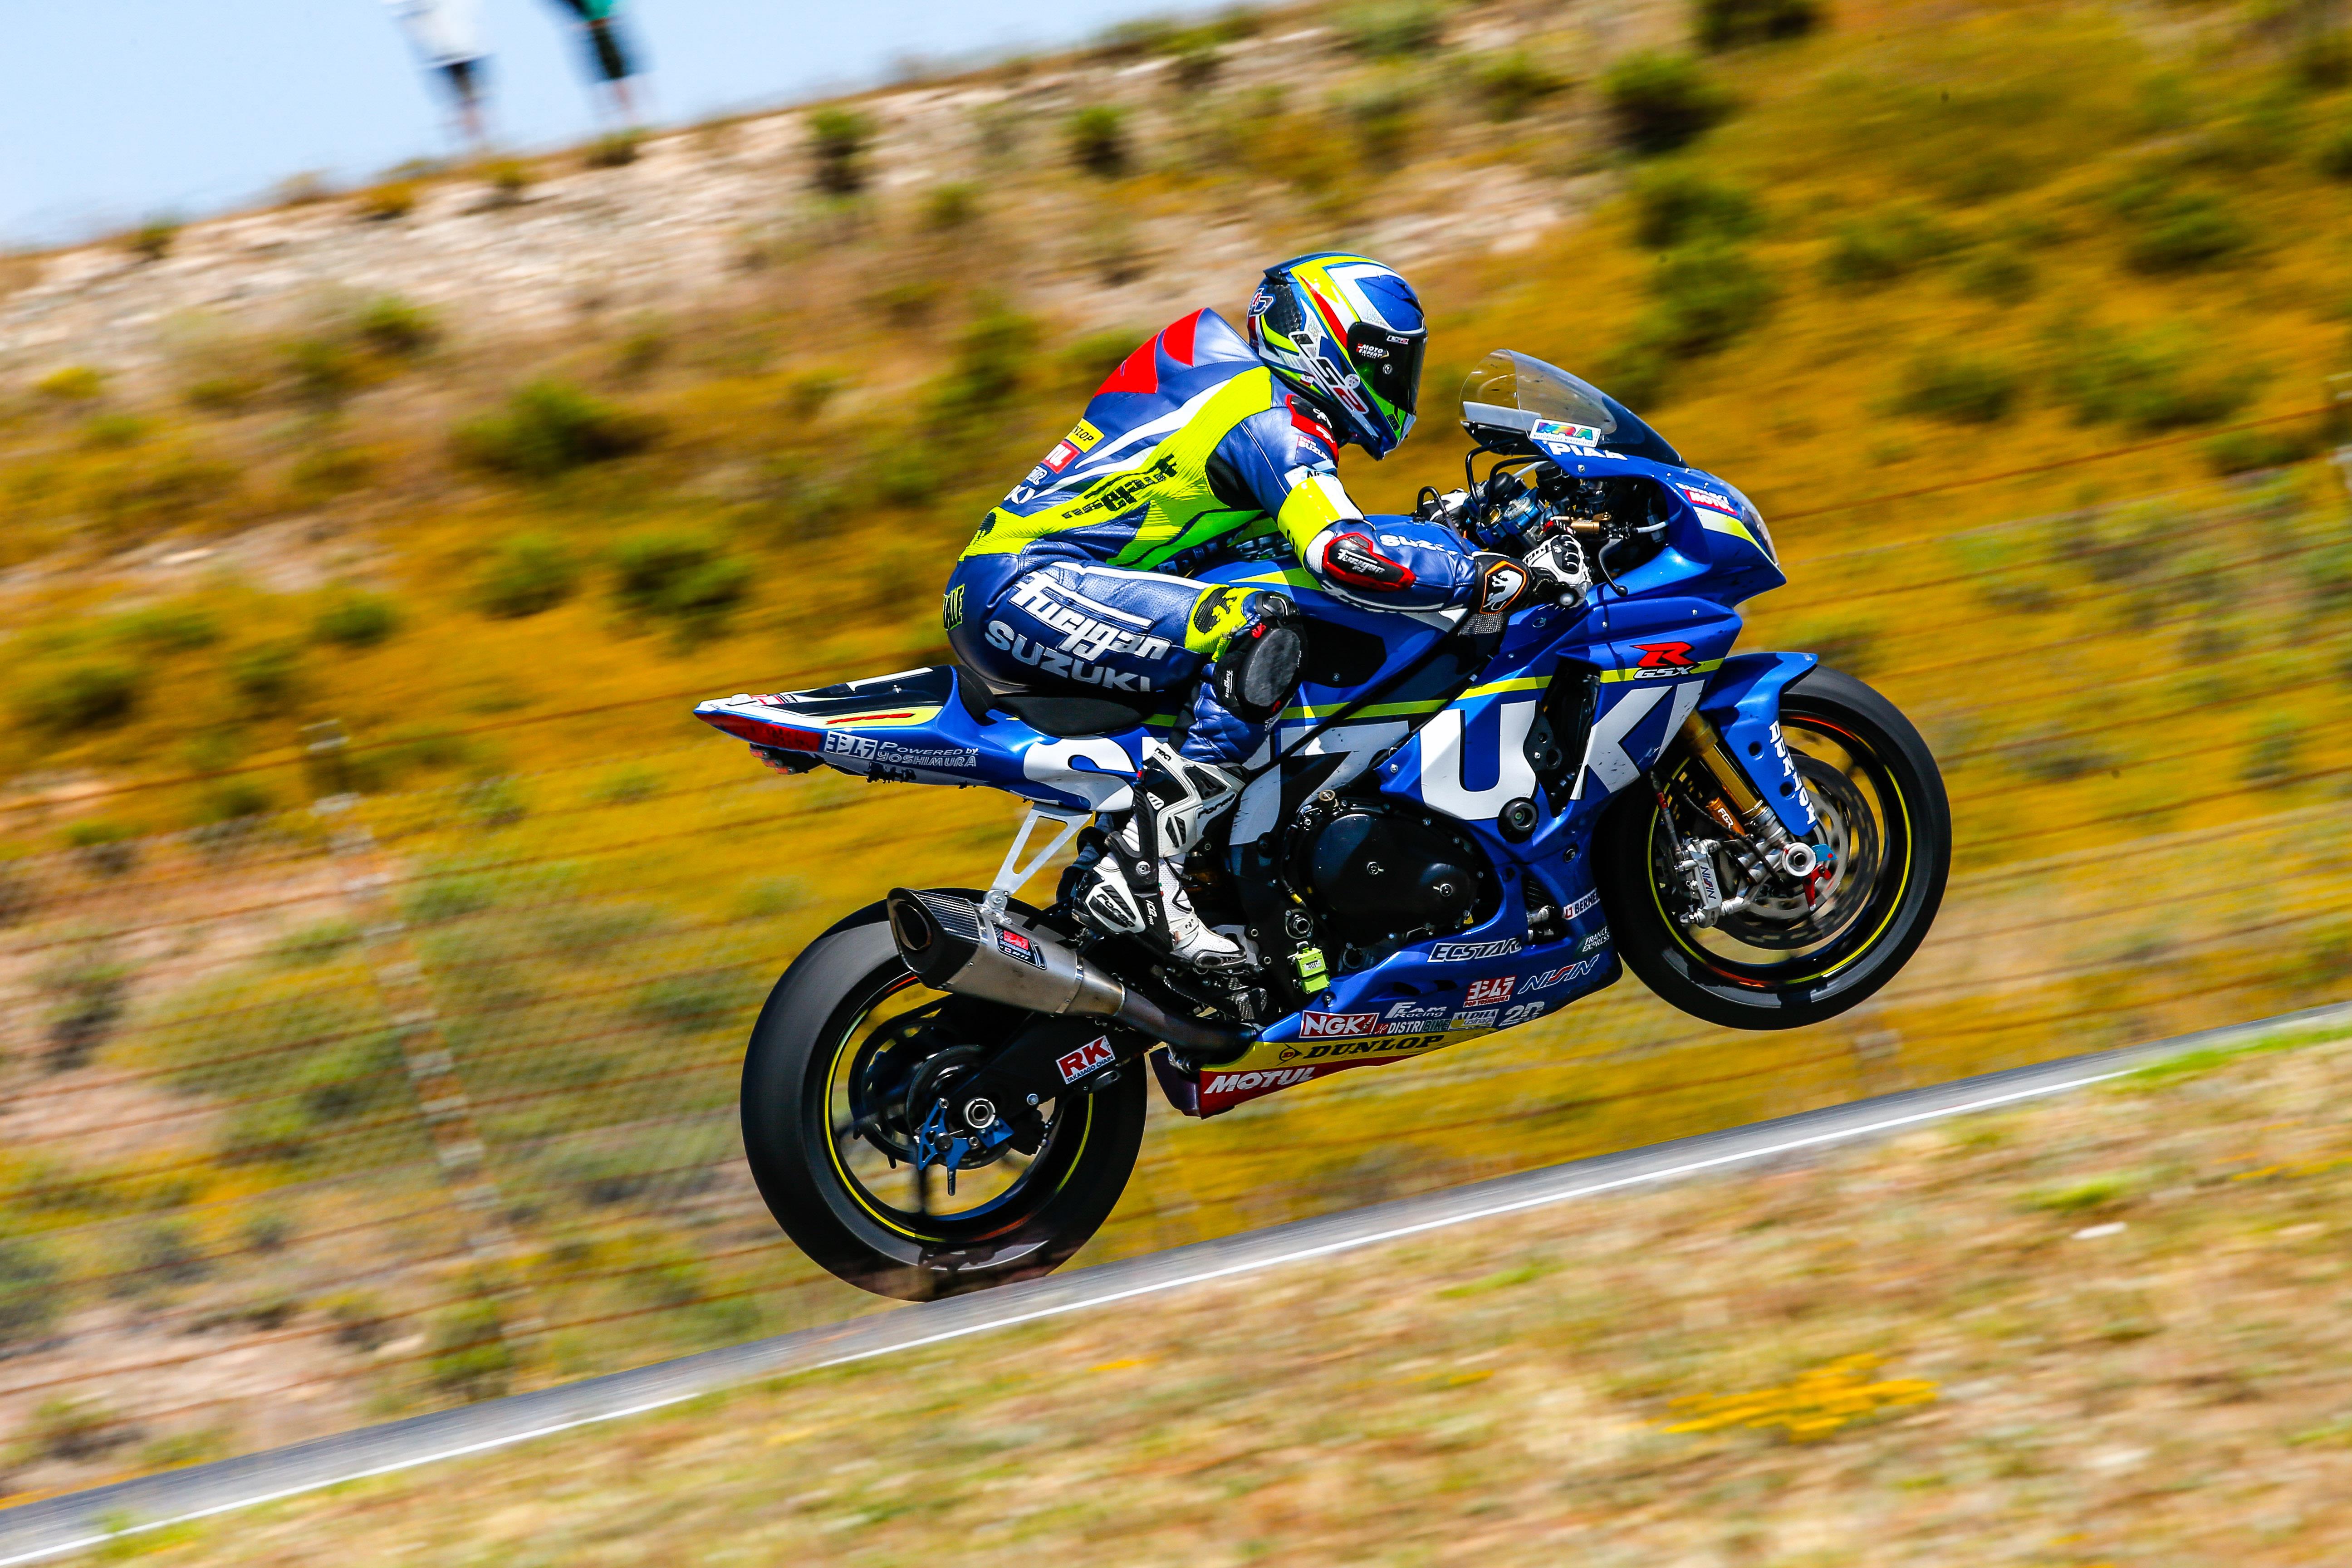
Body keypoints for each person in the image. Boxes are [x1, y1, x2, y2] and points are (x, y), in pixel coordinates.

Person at [945, 253, 1537, 969]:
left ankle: (1188, 877)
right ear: (1321, 340)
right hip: (1024, 587)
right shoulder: (1269, 415)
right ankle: (1141, 868)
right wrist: (1473, 574)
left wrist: (1450, 531)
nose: (1395, 382)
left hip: (1031, 586)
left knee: (1271, 625)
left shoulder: (1251, 402)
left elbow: (1293, 537)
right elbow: (1341, 552)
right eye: (1384, 361)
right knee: (1260, 626)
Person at [384, 0, 490, 150]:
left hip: (452, 45)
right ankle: (474, 146)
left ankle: (472, 145)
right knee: (467, 101)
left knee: (466, 101)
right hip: (453, 46)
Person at [547, 0, 640, 124]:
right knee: (608, 75)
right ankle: (617, 119)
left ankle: (629, 116)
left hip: (603, 28)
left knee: (618, 74)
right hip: (597, 30)